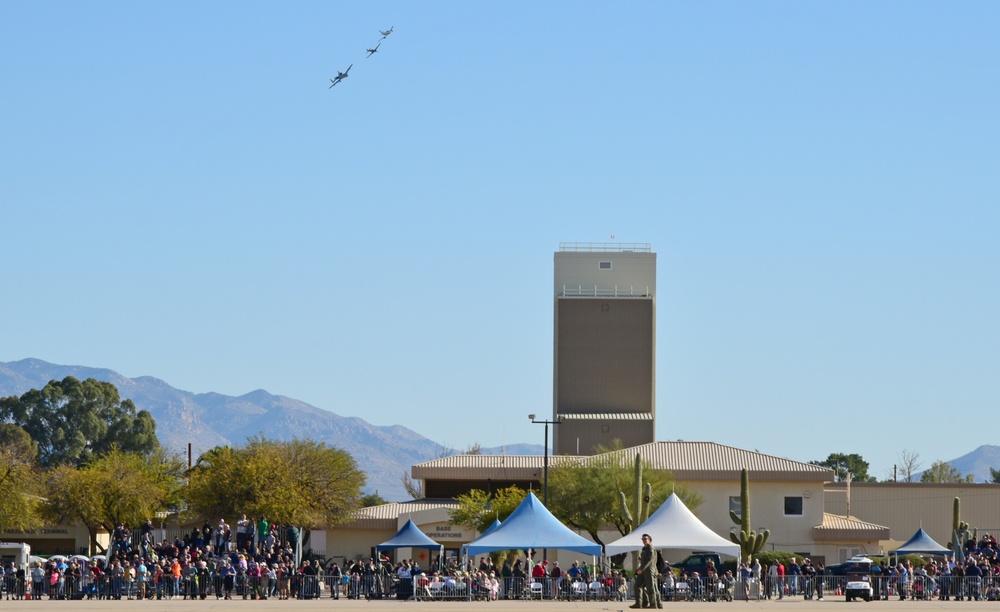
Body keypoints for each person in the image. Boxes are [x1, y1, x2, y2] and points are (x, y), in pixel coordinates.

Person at [631, 533, 662, 609]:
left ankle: (653, 604)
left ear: (650, 540)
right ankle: (640, 603)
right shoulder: (644, 549)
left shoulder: (650, 548)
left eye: (645, 539)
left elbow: (649, 560)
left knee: (651, 587)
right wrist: (640, 567)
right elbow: (644, 560)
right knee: (638, 585)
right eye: (643, 539)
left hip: (649, 570)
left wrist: (642, 568)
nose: (644, 541)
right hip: (643, 570)